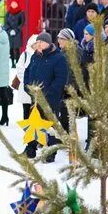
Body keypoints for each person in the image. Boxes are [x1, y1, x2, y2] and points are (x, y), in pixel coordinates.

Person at [23, 32, 69, 162]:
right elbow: (27, 72)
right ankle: (30, 150)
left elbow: (60, 79)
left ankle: (50, 152)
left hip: (50, 98)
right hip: (35, 97)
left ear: (48, 43)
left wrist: (49, 93)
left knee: (50, 126)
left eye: (41, 42)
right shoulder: (35, 56)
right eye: (37, 42)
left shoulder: (58, 58)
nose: (39, 44)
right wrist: (28, 87)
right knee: (33, 124)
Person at [15, 35, 38, 120]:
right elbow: (19, 68)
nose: (36, 45)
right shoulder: (24, 54)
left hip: (36, 87)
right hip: (25, 87)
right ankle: (26, 127)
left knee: (36, 110)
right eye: (35, 43)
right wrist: (25, 81)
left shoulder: (41, 54)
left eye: (37, 43)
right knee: (26, 108)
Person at [6, 0, 25, 68]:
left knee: (17, 49)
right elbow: (6, 23)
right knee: (11, 48)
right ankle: (12, 63)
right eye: (12, 4)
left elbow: (22, 23)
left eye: (15, 4)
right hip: (10, 33)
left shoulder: (21, 12)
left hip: (17, 33)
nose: (13, 5)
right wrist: (9, 30)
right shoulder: (8, 12)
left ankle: (17, 62)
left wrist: (16, 30)